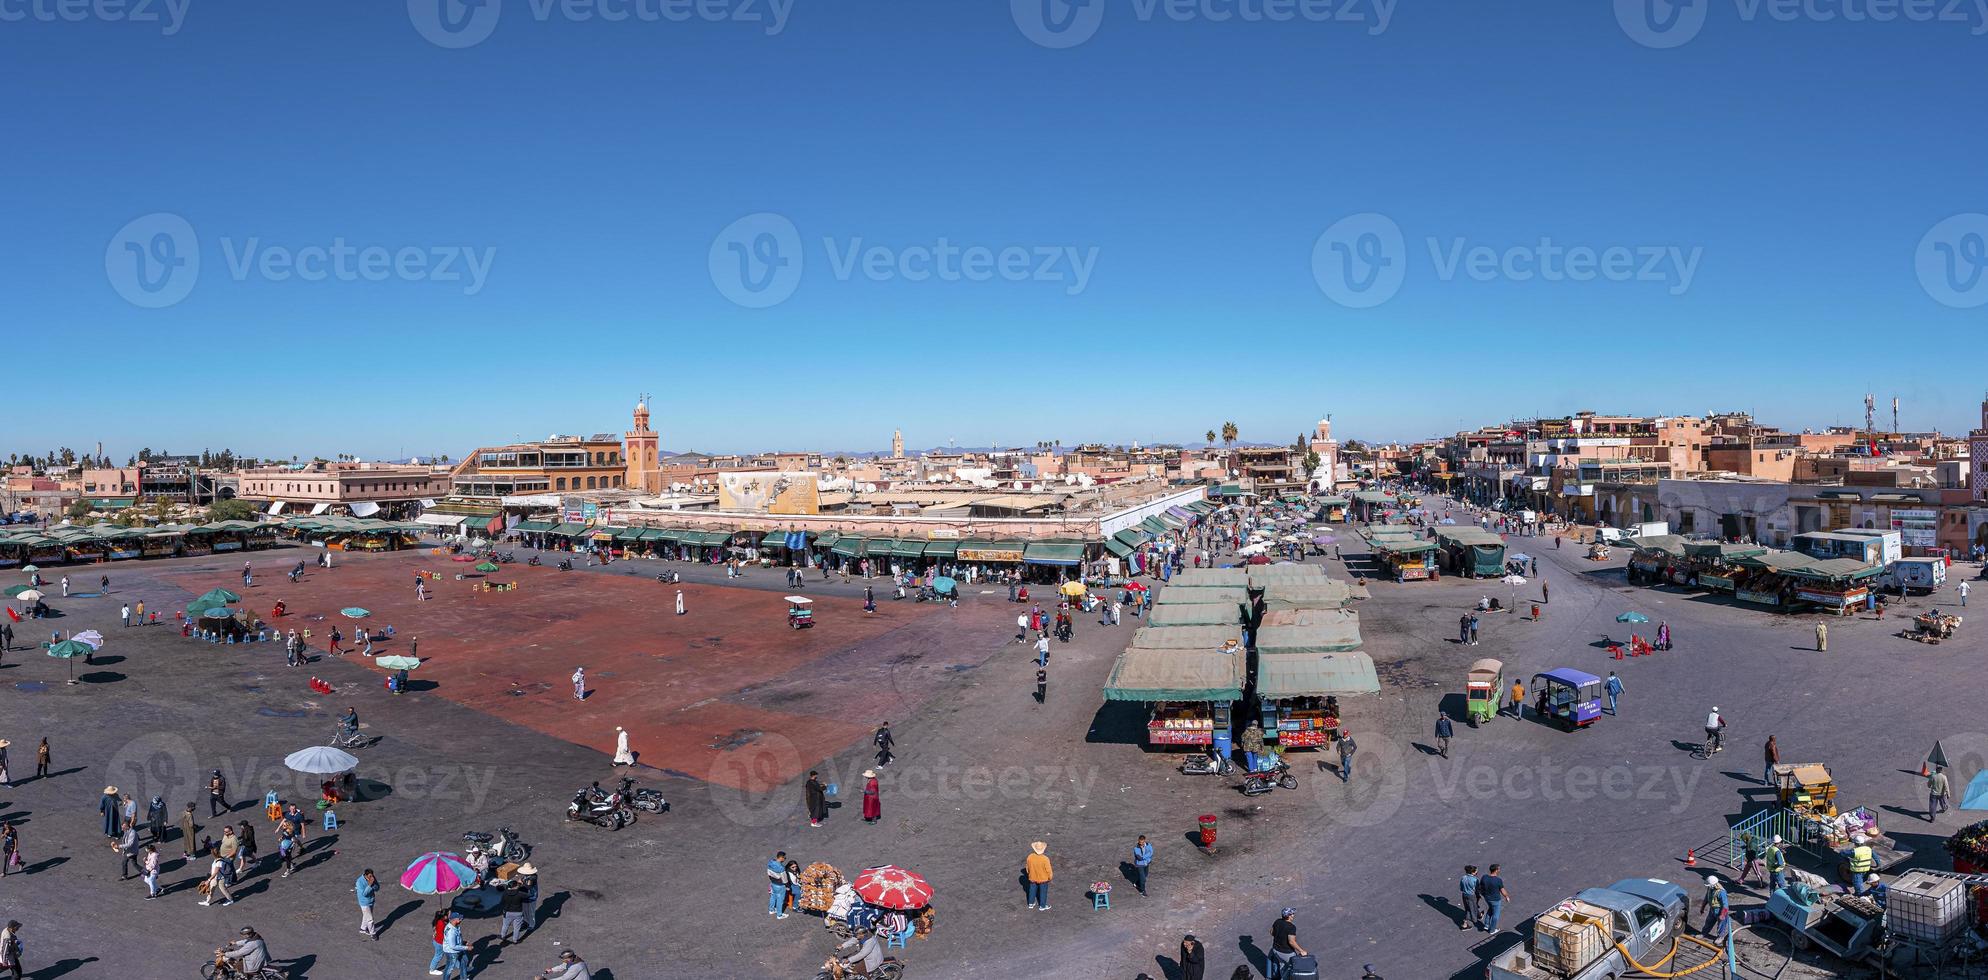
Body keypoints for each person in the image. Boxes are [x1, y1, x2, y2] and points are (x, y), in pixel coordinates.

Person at [1268, 908, 1306, 980]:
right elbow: (1291, 942)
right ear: (1289, 916)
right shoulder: (1291, 927)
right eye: (1292, 914)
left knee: (1282, 965)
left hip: (1276, 950)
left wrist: (1279, 936)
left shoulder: (1277, 921)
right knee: (1292, 968)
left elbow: (1271, 932)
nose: (1293, 915)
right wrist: (1301, 951)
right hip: (1286, 953)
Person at [1477, 864, 1510, 932]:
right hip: (1495, 900)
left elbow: (1480, 887)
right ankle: (1492, 930)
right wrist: (1506, 896)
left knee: (1490, 910)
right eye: (1498, 869)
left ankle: (1486, 925)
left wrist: (1481, 894)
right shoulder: (1498, 880)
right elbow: (1502, 890)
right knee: (1496, 915)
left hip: (1487, 898)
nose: (1499, 870)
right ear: (1496, 870)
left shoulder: (1484, 877)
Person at [440, 912, 470, 979]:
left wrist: (463, 942)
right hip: (452, 952)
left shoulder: (455, 926)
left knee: (464, 960)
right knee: (449, 968)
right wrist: (466, 947)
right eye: (459, 918)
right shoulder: (451, 931)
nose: (461, 919)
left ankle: (463, 978)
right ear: (454, 919)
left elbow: (456, 939)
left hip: (458, 949)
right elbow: (453, 946)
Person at [1024, 841, 1053, 910]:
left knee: (1032, 890)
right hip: (1043, 879)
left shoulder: (1030, 857)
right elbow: (1049, 870)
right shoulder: (1045, 859)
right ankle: (1042, 906)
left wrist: (1029, 874)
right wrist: (1050, 877)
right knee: (1043, 892)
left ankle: (1031, 903)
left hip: (1032, 878)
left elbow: (1027, 867)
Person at [499, 880, 528, 944]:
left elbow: (502, 901)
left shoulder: (505, 893)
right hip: (518, 912)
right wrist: (523, 885)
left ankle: (503, 936)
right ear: (515, 886)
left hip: (507, 912)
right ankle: (515, 940)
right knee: (516, 927)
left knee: (505, 925)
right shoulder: (520, 893)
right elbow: (527, 895)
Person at [356, 868, 380, 940]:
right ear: (365, 875)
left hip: (371, 901)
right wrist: (370, 885)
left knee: (366, 915)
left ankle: (363, 928)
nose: (371, 877)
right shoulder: (359, 882)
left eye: (372, 876)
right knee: (370, 919)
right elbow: (364, 894)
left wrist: (373, 884)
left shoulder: (372, 878)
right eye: (369, 876)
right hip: (364, 903)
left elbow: (377, 888)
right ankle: (373, 933)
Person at [428, 908, 453, 974]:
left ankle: (463, 967)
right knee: (438, 956)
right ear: (445, 916)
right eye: (449, 914)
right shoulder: (442, 924)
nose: (451, 915)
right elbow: (443, 936)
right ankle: (432, 970)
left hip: (437, 941)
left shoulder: (439, 920)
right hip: (440, 943)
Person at [767, 851, 790, 918]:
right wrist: (787, 886)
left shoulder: (770, 863)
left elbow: (768, 873)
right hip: (780, 885)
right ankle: (779, 915)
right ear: (781, 857)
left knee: (773, 896)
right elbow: (784, 879)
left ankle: (771, 910)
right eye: (784, 858)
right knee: (780, 900)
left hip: (773, 883)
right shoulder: (781, 868)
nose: (785, 859)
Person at [1458, 865, 1481, 931]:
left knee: (1469, 907)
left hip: (1464, 895)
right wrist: (1478, 896)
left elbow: (1461, 888)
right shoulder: (1475, 879)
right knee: (1470, 909)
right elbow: (1477, 889)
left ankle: (1479, 914)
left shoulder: (1463, 877)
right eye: (1476, 871)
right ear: (1473, 872)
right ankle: (1465, 924)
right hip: (1471, 895)